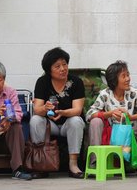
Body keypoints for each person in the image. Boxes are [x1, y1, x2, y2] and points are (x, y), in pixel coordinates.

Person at [86, 61, 137, 177]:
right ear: (114, 80)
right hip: (111, 137)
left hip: (130, 136)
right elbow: (90, 113)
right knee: (95, 121)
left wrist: (131, 117)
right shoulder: (105, 94)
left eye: (128, 75)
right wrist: (109, 114)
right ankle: (95, 162)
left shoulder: (133, 92)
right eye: (123, 76)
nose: (128, 79)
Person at [29, 47, 85, 178]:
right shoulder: (42, 82)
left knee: (76, 121)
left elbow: (78, 110)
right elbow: (37, 109)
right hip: (51, 125)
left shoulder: (76, 82)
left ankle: (73, 165)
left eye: (65, 64)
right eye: (57, 66)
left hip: (68, 123)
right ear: (49, 70)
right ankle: (41, 164)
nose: (62, 69)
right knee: (35, 120)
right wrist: (45, 108)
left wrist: (63, 112)